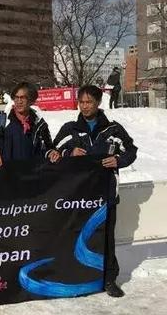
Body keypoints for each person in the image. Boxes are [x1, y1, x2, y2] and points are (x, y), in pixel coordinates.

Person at [53, 85, 137, 298]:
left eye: (89, 102)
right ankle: (76, 277)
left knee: (106, 238)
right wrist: (68, 152)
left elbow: (131, 151)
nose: (84, 106)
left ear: (98, 103)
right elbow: (52, 152)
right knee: (75, 237)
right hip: (77, 197)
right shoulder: (70, 129)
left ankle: (109, 279)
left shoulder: (113, 129)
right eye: (81, 102)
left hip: (106, 194)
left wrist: (118, 160)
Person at [0, 82, 61, 166]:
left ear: (31, 100)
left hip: (31, 176)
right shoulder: (0, 122)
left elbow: (48, 148)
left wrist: (51, 153)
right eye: (16, 98)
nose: (19, 101)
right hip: (6, 175)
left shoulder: (40, 124)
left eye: (22, 98)